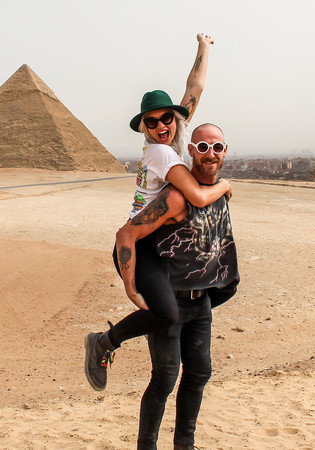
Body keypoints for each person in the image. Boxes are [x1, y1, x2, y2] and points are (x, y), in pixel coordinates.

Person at [85, 34, 232, 391]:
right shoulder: (161, 153)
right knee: (164, 313)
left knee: (205, 295)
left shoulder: (175, 138)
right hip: (141, 245)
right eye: (151, 123)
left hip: (164, 245)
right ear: (143, 129)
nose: (161, 126)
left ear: (177, 119)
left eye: (168, 117)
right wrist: (225, 186)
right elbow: (197, 196)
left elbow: (194, 86)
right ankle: (102, 343)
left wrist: (204, 47)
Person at [117, 123, 239, 449]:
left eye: (217, 147)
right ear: (190, 151)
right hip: (170, 301)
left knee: (199, 374)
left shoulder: (220, 195)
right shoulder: (174, 196)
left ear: (225, 151)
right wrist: (133, 287)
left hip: (201, 303)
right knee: (165, 378)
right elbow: (127, 234)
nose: (210, 153)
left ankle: (184, 445)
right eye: (202, 147)